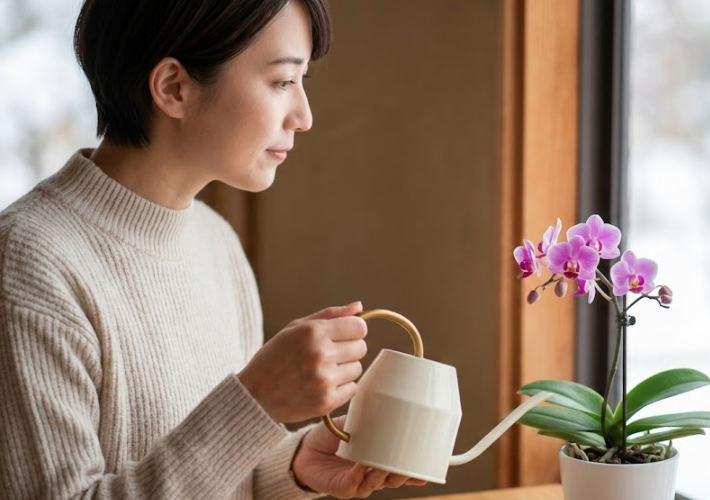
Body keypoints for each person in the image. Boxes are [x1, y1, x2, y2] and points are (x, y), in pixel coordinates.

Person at [0, 0, 426, 498]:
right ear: (173, 87)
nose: (304, 116)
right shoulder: (28, 265)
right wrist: (255, 403)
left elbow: (220, 479)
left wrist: (289, 468)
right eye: (283, 81)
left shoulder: (217, 243)